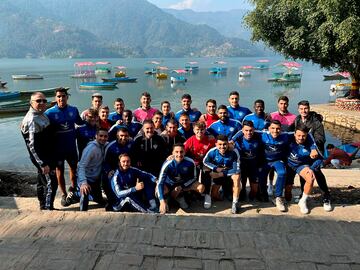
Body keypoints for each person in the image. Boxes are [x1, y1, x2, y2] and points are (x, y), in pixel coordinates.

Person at [258, 120, 318, 212]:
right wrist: (232, 141)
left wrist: (313, 148)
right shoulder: (262, 134)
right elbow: (244, 131)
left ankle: (278, 197)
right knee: (261, 177)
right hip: (265, 161)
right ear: (269, 128)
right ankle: (263, 193)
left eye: (278, 129)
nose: (275, 131)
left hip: (278, 160)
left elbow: (306, 134)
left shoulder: (286, 135)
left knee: (282, 172)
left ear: (281, 129)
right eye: (273, 128)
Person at [45, 87, 83, 207]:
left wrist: (94, 119)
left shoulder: (73, 110)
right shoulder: (49, 113)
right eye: (59, 96)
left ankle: (72, 190)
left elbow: (81, 122)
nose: (61, 98)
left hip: (71, 147)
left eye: (63, 96)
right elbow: (42, 129)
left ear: (67, 97)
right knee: (59, 171)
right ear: (56, 98)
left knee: (74, 169)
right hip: (58, 149)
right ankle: (63, 194)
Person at [21, 92, 58, 210]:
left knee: (42, 182)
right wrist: (42, 164)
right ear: (31, 103)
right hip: (42, 159)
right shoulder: (32, 120)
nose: (42, 103)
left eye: (44, 101)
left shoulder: (41, 114)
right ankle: (48, 208)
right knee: (51, 183)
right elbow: (32, 146)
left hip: (47, 156)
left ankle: (43, 206)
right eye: (38, 101)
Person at [286, 125, 329, 213]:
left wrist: (311, 168)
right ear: (294, 134)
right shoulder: (288, 138)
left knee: (311, 177)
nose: (301, 138)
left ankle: (303, 201)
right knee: (287, 195)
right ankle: (285, 196)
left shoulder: (311, 145)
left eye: (303, 136)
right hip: (289, 165)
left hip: (301, 166)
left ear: (307, 135)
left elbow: (320, 159)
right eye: (298, 135)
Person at [157, 143, 205, 214]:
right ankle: (167, 199)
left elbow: (194, 178)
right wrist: (161, 201)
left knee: (201, 187)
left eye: (181, 152)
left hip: (181, 185)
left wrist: (181, 187)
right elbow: (160, 182)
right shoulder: (167, 164)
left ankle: (180, 196)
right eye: (176, 152)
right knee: (159, 190)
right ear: (172, 153)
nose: (179, 154)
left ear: (185, 152)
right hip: (169, 185)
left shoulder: (190, 162)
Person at [203, 135, 241, 214]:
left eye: (224, 144)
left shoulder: (234, 152)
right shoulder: (212, 151)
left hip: (229, 174)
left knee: (237, 177)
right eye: (220, 144)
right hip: (218, 173)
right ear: (216, 144)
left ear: (228, 144)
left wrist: (221, 174)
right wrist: (215, 168)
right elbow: (205, 162)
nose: (222, 147)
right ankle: (220, 192)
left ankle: (235, 203)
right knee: (215, 196)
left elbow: (236, 169)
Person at [184, 121, 216, 208]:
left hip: (206, 162)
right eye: (197, 130)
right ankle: (195, 193)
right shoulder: (190, 140)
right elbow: (183, 150)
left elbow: (216, 149)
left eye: (202, 130)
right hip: (195, 162)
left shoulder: (210, 139)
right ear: (194, 130)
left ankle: (207, 195)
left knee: (207, 175)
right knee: (194, 177)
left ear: (205, 130)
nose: (199, 132)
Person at [231, 120, 264, 201]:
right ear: (242, 130)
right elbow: (230, 143)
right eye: (246, 130)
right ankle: (242, 193)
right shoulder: (238, 137)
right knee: (242, 185)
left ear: (254, 129)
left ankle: (253, 194)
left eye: (251, 130)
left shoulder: (258, 136)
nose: (249, 132)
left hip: (253, 164)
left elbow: (268, 133)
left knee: (254, 191)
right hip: (242, 164)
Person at [77, 128, 109, 211]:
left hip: (96, 180)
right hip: (86, 178)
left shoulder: (105, 145)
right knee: (85, 193)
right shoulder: (91, 149)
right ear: (96, 136)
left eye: (105, 136)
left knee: (99, 199)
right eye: (100, 136)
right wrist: (83, 182)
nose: (103, 138)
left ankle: (81, 194)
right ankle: (75, 195)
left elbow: (115, 143)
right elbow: (81, 166)